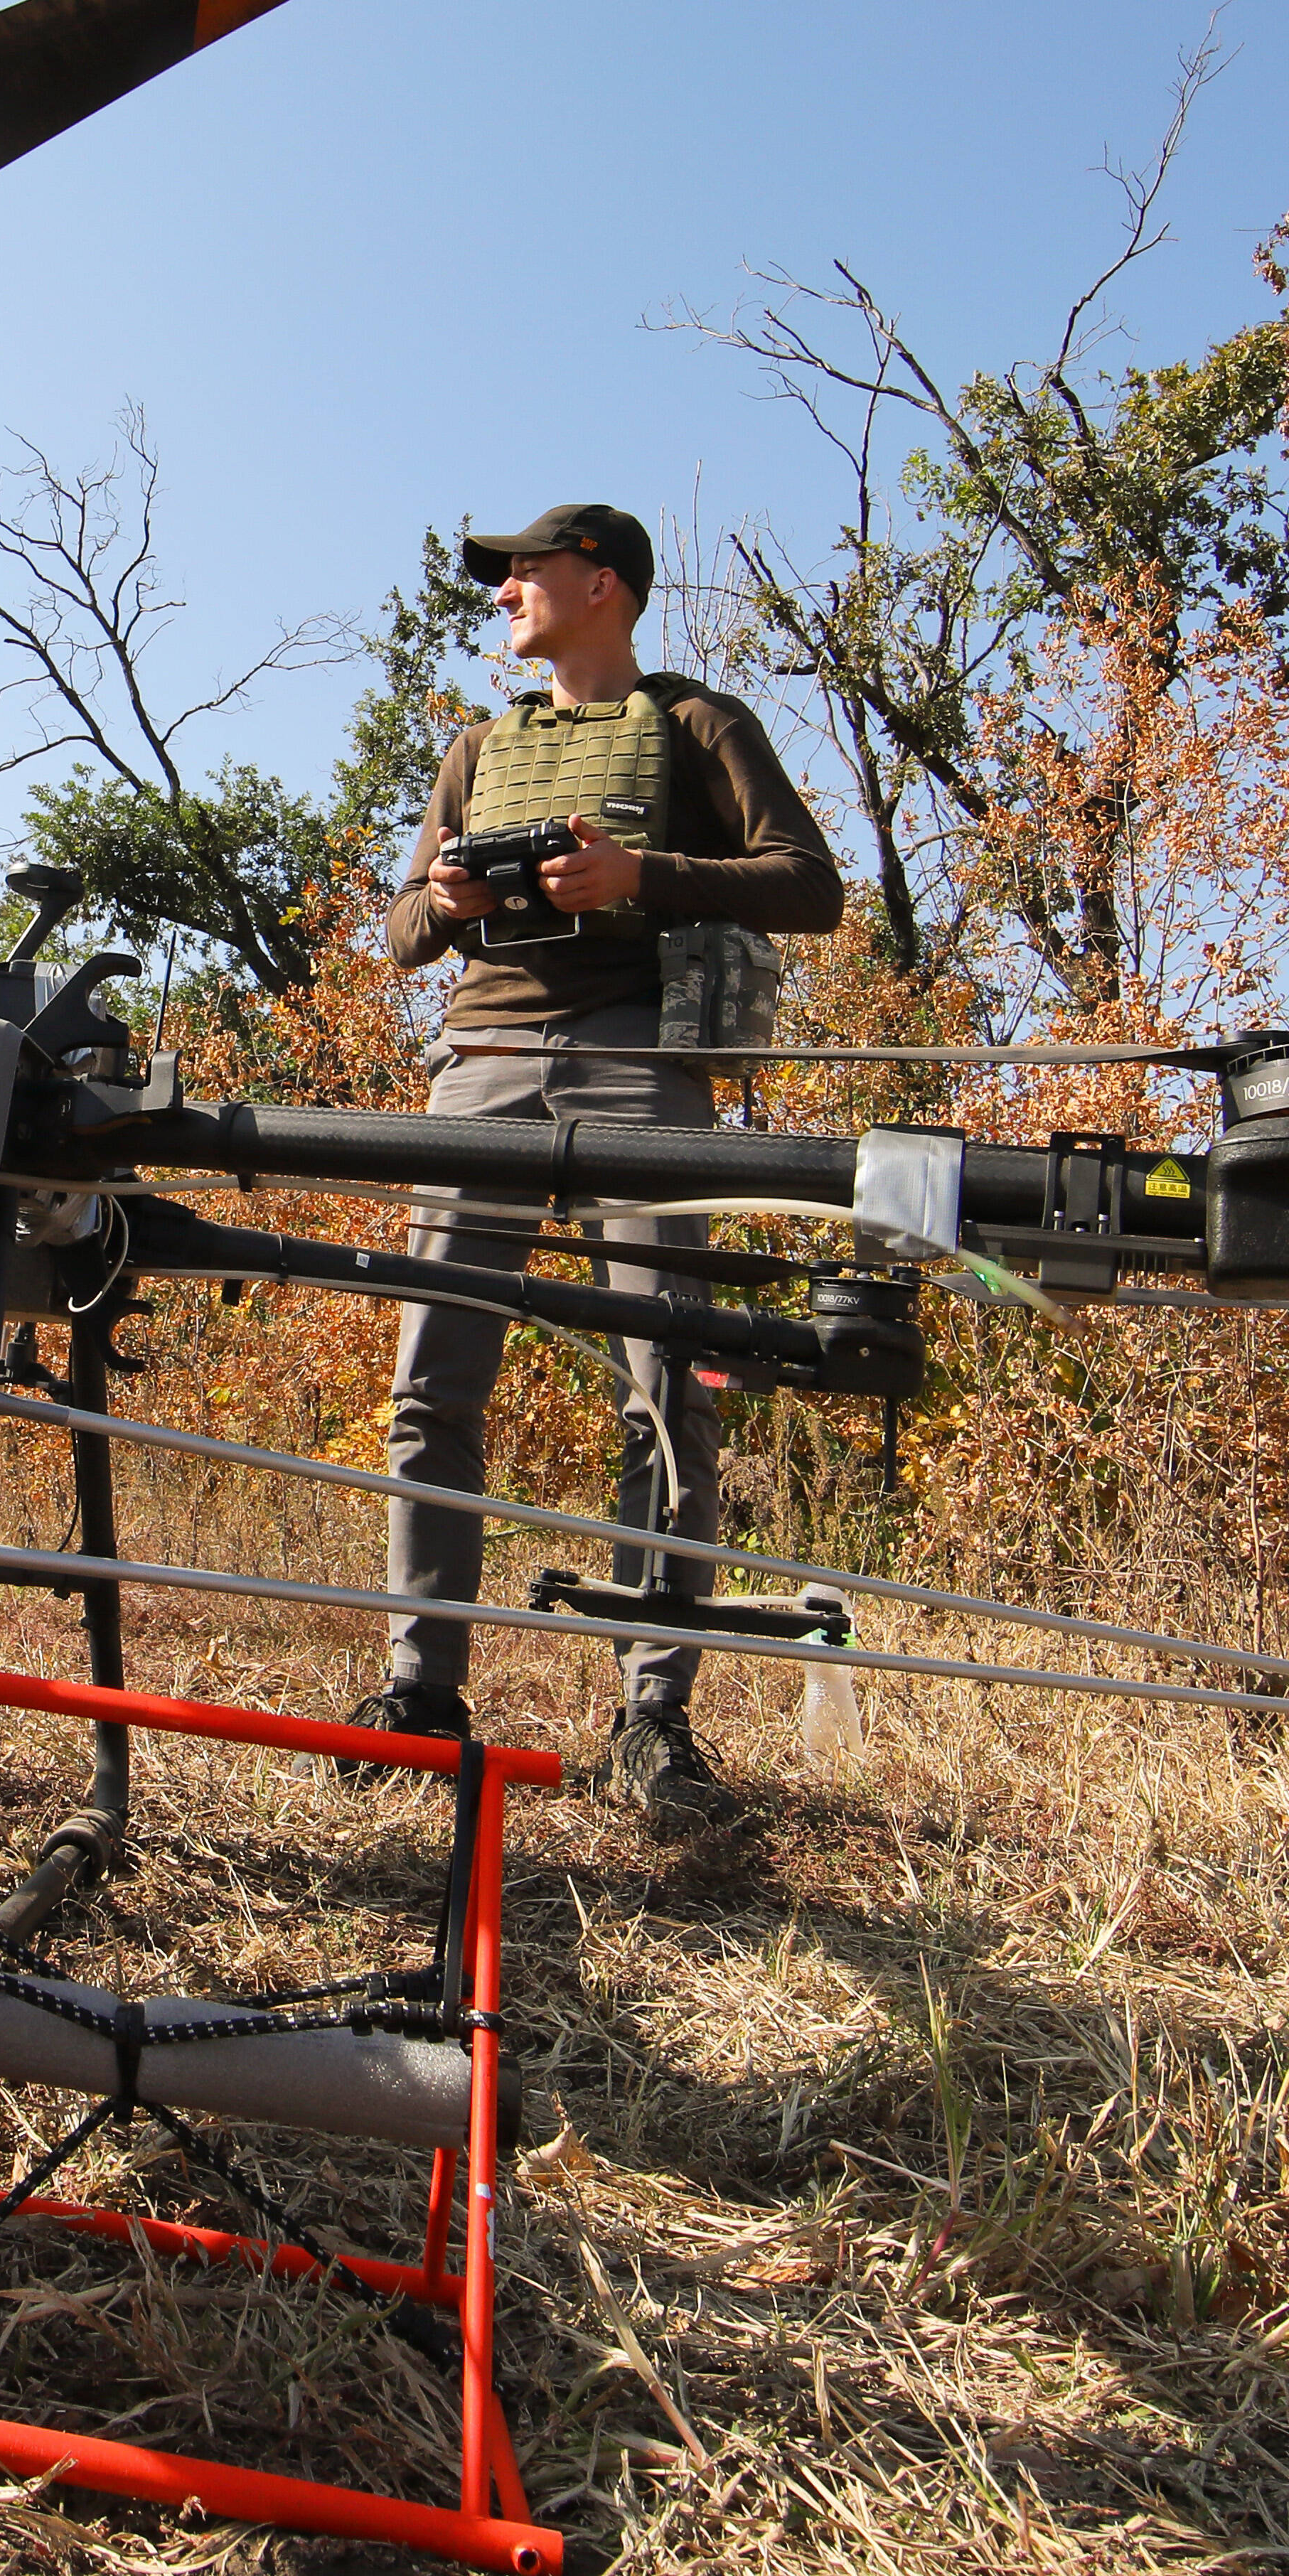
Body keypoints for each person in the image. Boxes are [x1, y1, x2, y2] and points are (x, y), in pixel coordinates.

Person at [349, 502, 844, 1828]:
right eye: (502, 573)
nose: (505, 589)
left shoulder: (700, 727)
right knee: (430, 1385)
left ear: (604, 584)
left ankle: (654, 1717)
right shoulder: (476, 746)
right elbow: (396, 931)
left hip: (644, 1065)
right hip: (483, 1063)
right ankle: (418, 1691)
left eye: (526, 568)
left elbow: (812, 885)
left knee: (667, 1386)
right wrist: (443, 905)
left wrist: (640, 875)